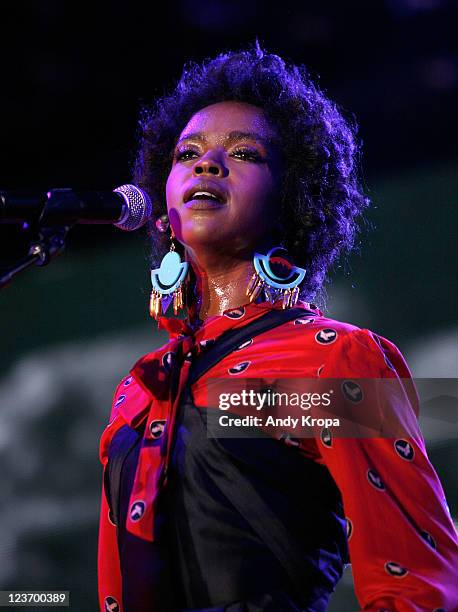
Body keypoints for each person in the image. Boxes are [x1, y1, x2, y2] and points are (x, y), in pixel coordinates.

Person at [97, 44, 458, 611]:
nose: (206, 163)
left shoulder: (332, 359)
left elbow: (417, 582)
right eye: (186, 153)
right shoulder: (139, 392)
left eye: (244, 153)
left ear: (292, 198)